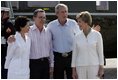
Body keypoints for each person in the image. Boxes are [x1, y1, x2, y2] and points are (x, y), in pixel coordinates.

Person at [7, 9, 53, 79]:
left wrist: (51, 64)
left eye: (44, 17)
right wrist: (10, 38)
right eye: (40, 17)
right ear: (34, 18)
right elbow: (17, 37)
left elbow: (50, 49)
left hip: (45, 64)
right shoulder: (28, 30)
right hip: (33, 64)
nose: (42, 19)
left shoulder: (48, 32)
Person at [47, 3, 80, 79]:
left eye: (66, 11)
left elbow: (79, 37)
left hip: (71, 57)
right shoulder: (51, 26)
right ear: (56, 13)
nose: (64, 14)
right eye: (62, 12)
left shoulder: (73, 23)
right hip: (58, 58)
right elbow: (47, 41)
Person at [71, 11, 104, 79]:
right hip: (80, 67)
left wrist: (101, 68)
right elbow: (74, 54)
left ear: (86, 22)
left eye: (80, 22)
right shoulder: (77, 36)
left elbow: (100, 53)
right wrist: (73, 70)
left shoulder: (97, 35)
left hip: (94, 66)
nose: (78, 24)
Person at [1, 7, 15, 79]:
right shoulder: (2, 23)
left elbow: (11, 35)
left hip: (5, 49)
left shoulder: (8, 24)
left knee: (4, 66)